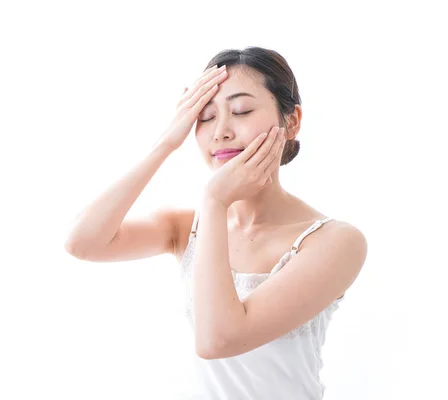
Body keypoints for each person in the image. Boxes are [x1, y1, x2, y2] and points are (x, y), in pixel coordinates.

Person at [64, 46, 368, 399]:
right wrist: (165, 143)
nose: (220, 131)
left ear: (292, 120)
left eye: (241, 110)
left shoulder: (336, 241)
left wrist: (215, 200)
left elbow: (217, 339)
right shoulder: (185, 227)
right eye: (205, 117)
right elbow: (81, 242)